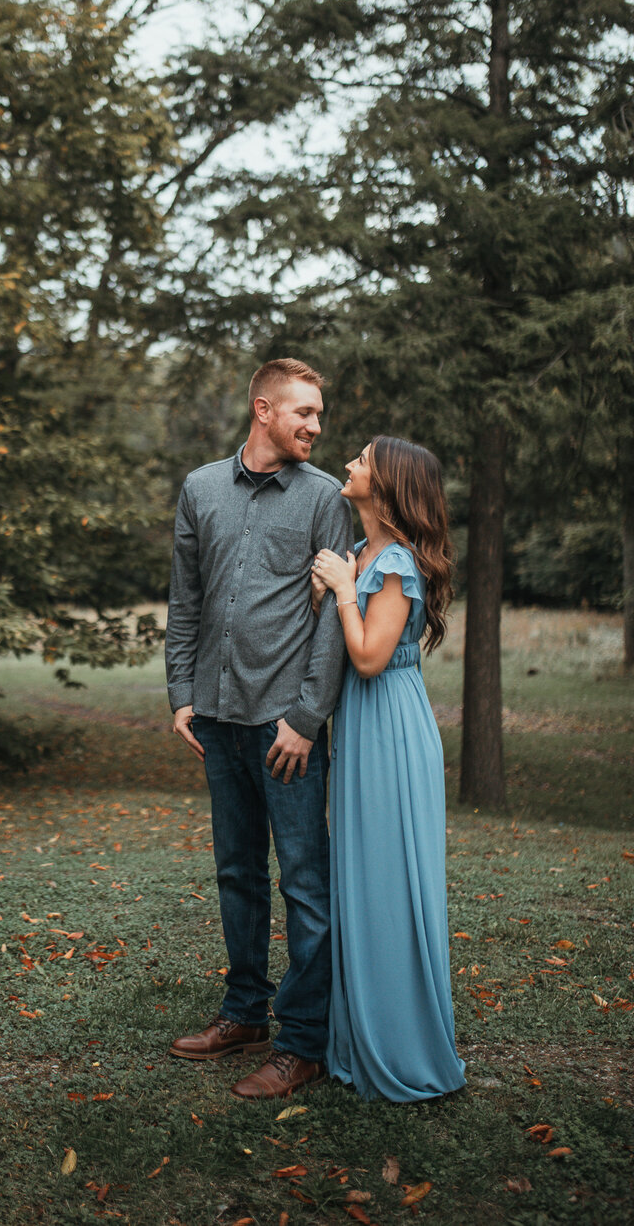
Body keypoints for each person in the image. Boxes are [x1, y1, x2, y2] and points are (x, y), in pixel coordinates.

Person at [165, 358, 353, 1100]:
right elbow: (186, 600)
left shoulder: (327, 499)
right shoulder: (200, 488)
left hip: (287, 731)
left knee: (305, 886)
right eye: (303, 412)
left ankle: (302, 1042)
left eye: (320, 416)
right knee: (236, 874)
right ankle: (244, 1014)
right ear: (263, 408)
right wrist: (182, 692)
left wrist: (306, 719)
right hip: (216, 719)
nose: (315, 427)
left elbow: (335, 625)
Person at [312, 435, 467, 1102]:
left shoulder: (395, 562)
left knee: (390, 883)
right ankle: (357, 1034)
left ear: (388, 485)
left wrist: (345, 590)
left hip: (391, 727)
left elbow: (371, 657)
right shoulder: (360, 552)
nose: (349, 464)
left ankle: (403, 1045)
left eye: (363, 460)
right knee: (362, 880)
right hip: (360, 725)